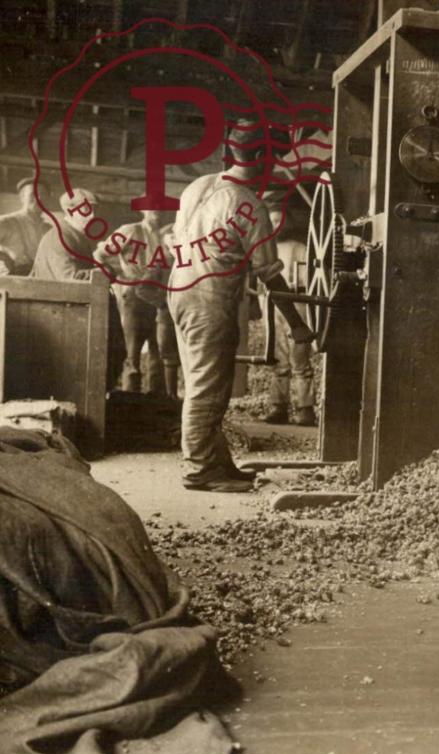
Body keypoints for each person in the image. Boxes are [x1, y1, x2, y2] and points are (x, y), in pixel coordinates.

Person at [167, 124, 315, 493]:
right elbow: (271, 276)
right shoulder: (250, 205)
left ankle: (217, 462)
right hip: (209, 299)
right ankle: (199, 470)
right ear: (263, 159)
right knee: (207, 389)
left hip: (180, 290)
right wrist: (297, 325)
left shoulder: (196, 187)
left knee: (202, 381)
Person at [93, 209, 178, 395]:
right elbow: (100, 254)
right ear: (143, 209)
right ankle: (129, 400)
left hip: (158, 296)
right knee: (132, 351)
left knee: (159, 350)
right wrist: (113, 274)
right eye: (152, 207)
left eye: (160, 206)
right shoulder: (129, 230)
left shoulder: (166, 235)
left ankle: (157, 400)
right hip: (133, 296)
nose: (156, 211)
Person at [256, 209, 316, 427]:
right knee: (277, 357)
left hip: (296, 303)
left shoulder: (299, 249)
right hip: (270, 306)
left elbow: (311, 279)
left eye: (278, 220)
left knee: (300, 357)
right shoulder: (264, 250)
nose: (274, 226)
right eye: (270, 221)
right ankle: (278, 407)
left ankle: (305, 409)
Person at [29, 189, 99, 280]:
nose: (92, 215)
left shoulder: (76, 235)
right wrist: (103, 271)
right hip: (50, 293)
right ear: (70, 210)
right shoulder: (59, 237)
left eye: (94, 209)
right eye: (86, 209)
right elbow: (70, 279)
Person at [0, 177, 51, 276]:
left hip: (40, 281)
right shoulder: (6, 222)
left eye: (43, 195)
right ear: (22, 197)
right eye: (33, 194)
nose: (39, 198)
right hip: (12, 280)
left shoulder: (49, 229)